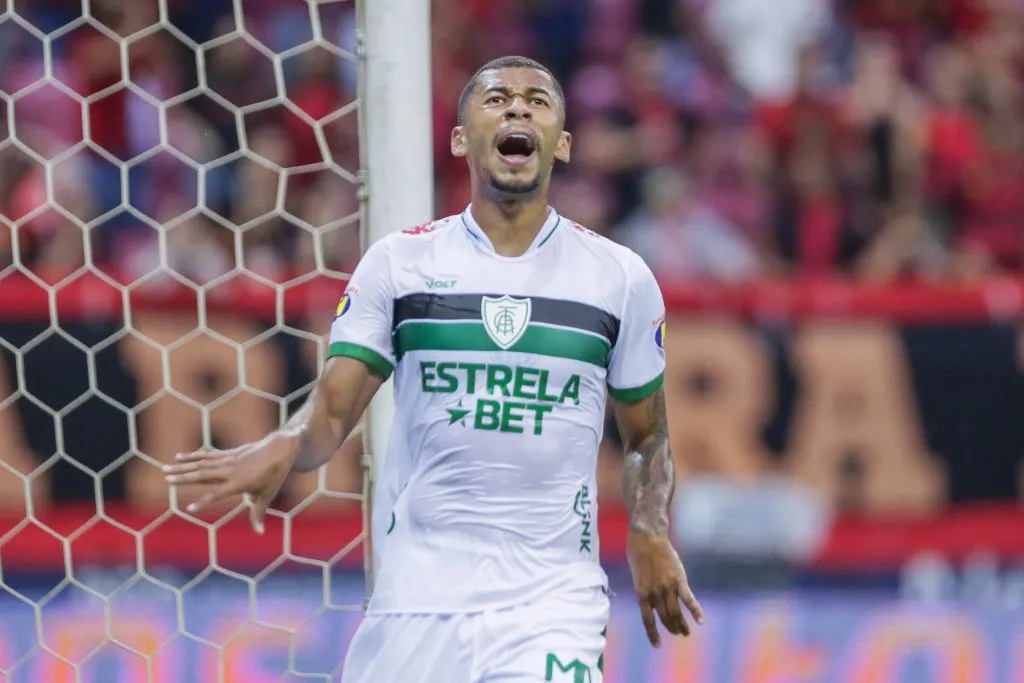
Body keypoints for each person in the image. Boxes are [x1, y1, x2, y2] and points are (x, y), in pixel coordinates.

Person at [164, 55, 703, 682]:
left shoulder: (618, 277)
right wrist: (284, 444)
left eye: (538, 100)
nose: (518, 108)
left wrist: (648, 531)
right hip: (414, 605)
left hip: (550, 604)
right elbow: (332, 412)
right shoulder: (399, 265)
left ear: (563, 144)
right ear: (458, 138)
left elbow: (647, 436)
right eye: (497, 98)